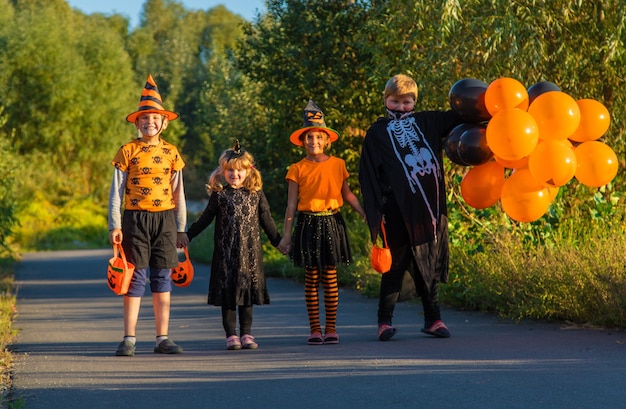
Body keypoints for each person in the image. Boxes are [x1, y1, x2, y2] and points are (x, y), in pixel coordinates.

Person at [358, 74, 463, 341]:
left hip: (426, 211)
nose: (401, 107)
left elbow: (460, 116)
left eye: (407, 101)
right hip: (395, 209)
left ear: (414, 100)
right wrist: (375, 213)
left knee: (426, 260)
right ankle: (384, 321)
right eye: (395, 101)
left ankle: (434, 319)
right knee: (396, 263)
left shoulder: (427, 121)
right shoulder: (377, 132)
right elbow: (368, 174)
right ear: (385, 100)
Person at [109, 74, 188, 356]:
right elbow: (116, 191)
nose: (149, 122)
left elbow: (179, 193)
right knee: (135, 278)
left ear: (164, 123)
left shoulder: (172, 153)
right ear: (137, 122)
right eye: (144, 118)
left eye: (155, 118)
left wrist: (181, 228)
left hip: (165, 220)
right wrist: (114, 224)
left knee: (162, 277)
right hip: (135, 220)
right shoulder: (127, 151)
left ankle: (162, 338)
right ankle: (129, 338)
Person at [278, 100, 366, 345]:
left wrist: (363, 213)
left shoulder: (338, 165)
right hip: (308, 225)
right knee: (311, 278)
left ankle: (331, 328)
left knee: (330, 278)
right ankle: (315, 328)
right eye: (309, 137)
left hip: (332, 223)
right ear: (302, 140)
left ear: (327, 140)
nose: (313, 141)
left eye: (318, 137)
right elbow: (291, 205)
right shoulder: (297, 168)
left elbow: (347, 194)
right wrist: (286, 236)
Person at [181, 140, 281, 350]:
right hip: (226, 254)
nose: (234, 175)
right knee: (228, 295)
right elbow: (205, 219)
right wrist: (187, 235)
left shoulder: (255, 194)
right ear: (222, 172)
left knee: (246, 295)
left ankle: (246, 334)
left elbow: (266, 220)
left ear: (247, 172)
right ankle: (231, 336)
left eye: (239, 171)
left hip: (249, 253)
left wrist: (278, 241)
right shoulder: (220, 195)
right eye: (230, 171)